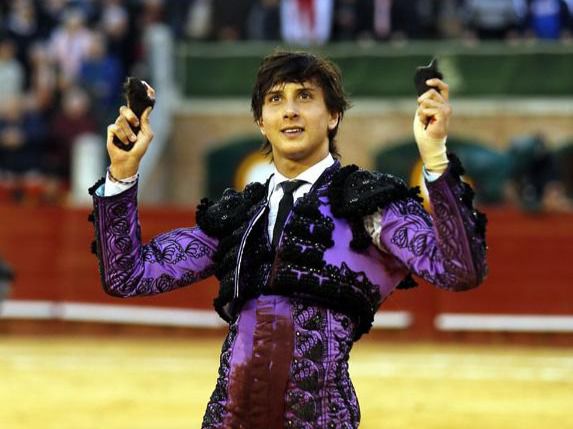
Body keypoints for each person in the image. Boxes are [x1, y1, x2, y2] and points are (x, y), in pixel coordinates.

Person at [88, 51, 488, 428]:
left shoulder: (367, 203)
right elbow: (128, 275)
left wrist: (435, 156)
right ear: (261, 122)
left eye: (305, 96)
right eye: (276, 99)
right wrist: (122, 173)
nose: (290, 110)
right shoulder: (240, 216)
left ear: (333, 116)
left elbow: (459, 270)